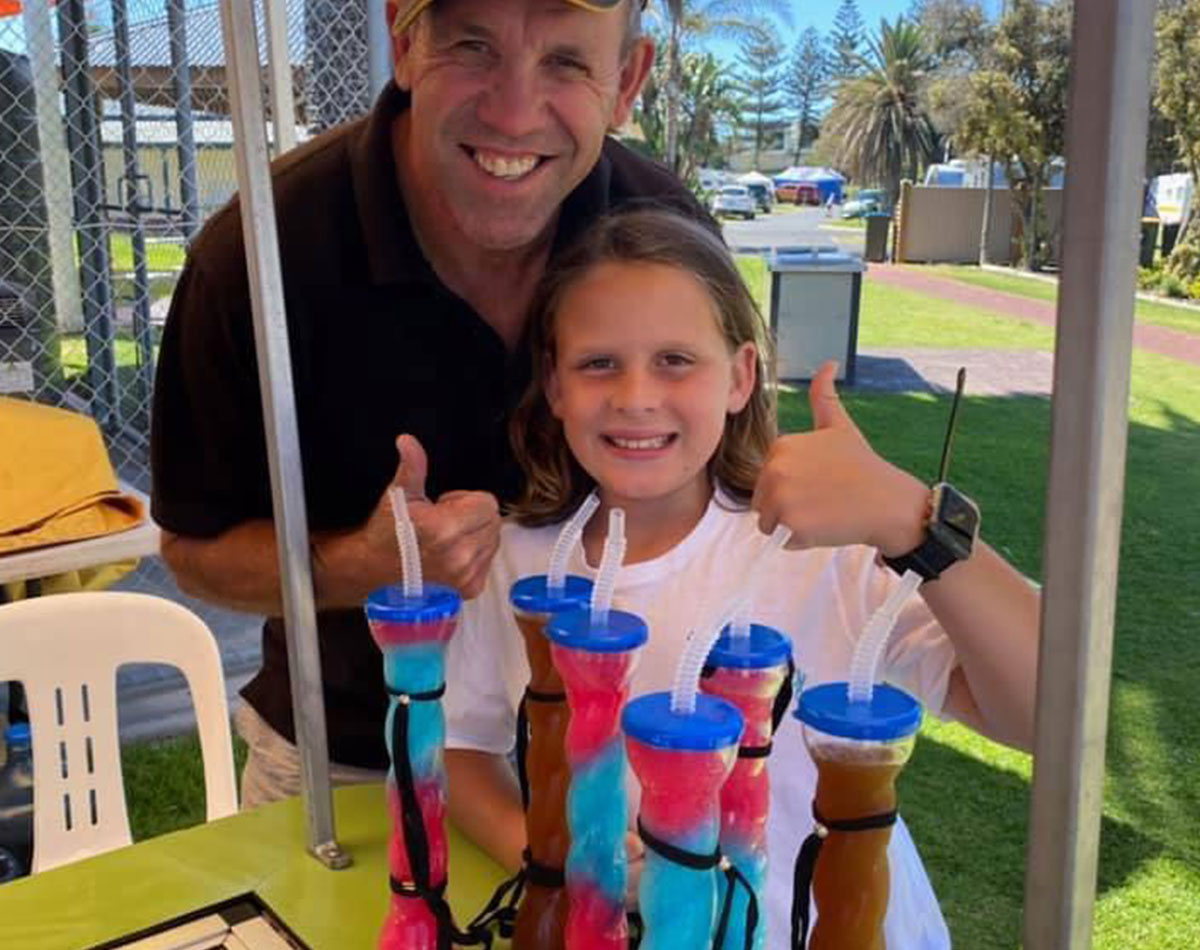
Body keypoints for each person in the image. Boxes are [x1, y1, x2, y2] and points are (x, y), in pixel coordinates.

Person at [148, 0, 708, 807]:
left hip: (607, 748)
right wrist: (362, 564)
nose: (514, 113)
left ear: (626, 81)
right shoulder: (260, 256)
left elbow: (722, 484)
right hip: (353, 759)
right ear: (405, 43)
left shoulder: (667, 233)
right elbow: (195, 549)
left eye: (565, 62)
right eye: (474, 47)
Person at [441, 208, 1041, 948]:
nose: (636, 396)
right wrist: (554, 859)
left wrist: (912, 519)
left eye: (675, 360)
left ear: (741, 376)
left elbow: (1044, 715)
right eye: (598, 364)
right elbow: (463, 745)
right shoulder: (518, 566)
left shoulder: (823, 551)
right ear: (554, 385)